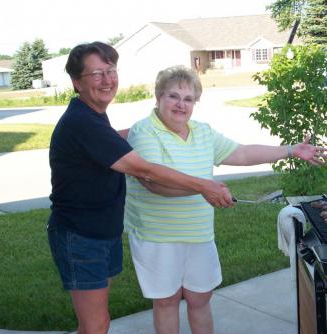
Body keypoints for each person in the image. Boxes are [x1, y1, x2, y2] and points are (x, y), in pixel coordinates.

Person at [124, 65, 327, 334]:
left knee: (200, 298)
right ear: (158, 97)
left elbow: (242, 153)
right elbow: (155, 183)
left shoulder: (202, 132)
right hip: (157, 235)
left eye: (188, 99)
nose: (180, 105)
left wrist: (291, 150)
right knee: (166, 301)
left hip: (198, 232)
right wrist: (205, 188)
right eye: (173, 96)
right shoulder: (144, 132)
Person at [47, 43, 234, 334]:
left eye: (110, 71)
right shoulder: (83, 122)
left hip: (102, 232)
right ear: (76, 82)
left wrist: (140, 130)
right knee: (95, 325)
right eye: (96, 73)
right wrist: (204, 186)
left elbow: (109, 141)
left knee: (95, 323)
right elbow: (144, 171)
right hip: (80, 236)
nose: (107, 80)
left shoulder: (93, 117)